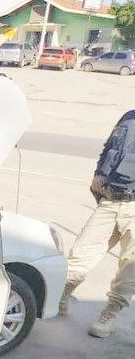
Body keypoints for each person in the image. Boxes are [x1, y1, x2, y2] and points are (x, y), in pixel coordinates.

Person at [59, 110, 135, 337]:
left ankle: (109, 314)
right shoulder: (129, 117)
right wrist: (99, 173)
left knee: (129, 267)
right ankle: (60, 298)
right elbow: (109, 148)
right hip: (111, 199)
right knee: (81, 252)